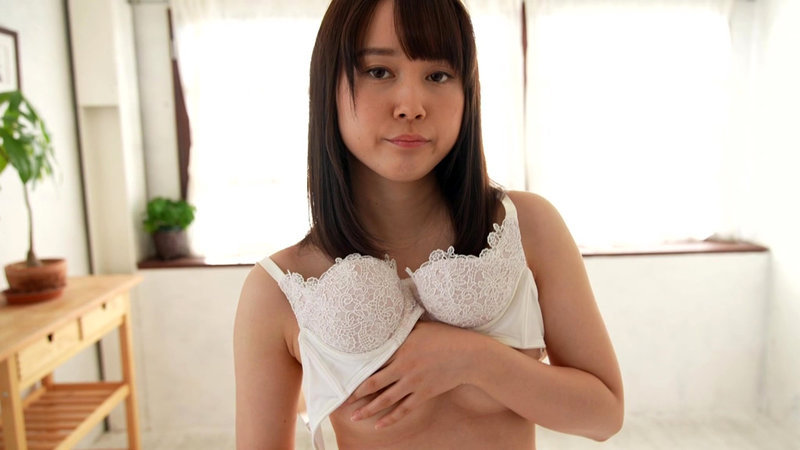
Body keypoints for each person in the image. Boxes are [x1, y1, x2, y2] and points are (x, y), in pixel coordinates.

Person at [234, 0, 624, 448]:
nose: (411, 106)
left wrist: (473, 359)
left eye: (438, 75)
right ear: (328, 86)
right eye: (379, 71)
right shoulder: (279, 289)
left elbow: (605, 415)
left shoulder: (527, 226)